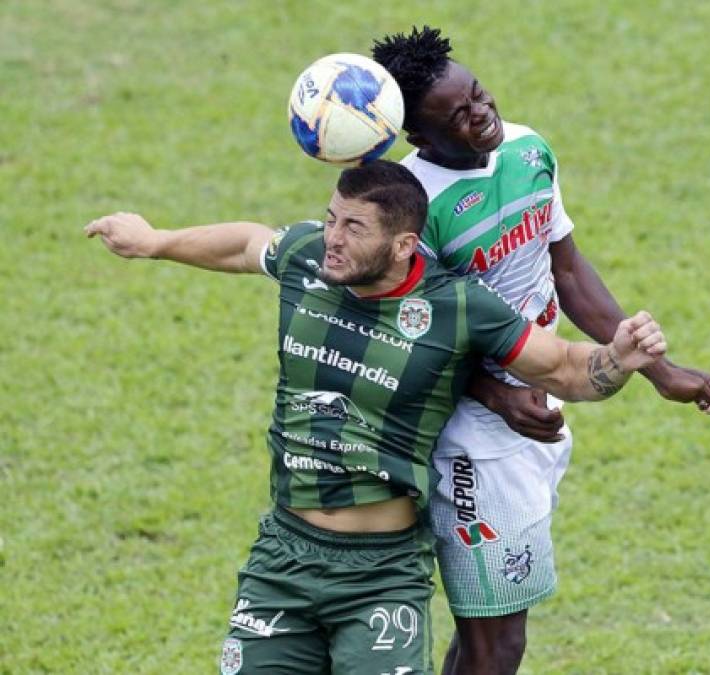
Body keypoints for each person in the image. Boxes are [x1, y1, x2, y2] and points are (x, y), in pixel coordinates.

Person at [85, 160, 668, 675]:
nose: (331, 238)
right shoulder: (307, 259)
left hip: (381, 575)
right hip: (282, 556)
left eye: (353, 227)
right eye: (331, 218)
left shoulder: (458, 307)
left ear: (403, 245)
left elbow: (565, 368)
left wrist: (619, 358)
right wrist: (154, 241)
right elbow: (245, 244)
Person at [372, 27, 710, 675]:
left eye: (479, 94)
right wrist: (495, 395)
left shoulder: (529, 148)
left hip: (537, 415)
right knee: (497, 644)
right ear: (420, 139)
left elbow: (565, 269)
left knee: (487, 634)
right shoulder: (410, 205)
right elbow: (408, 329)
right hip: (469, 439)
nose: (481, 112)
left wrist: (658, 371)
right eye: (457, 114)